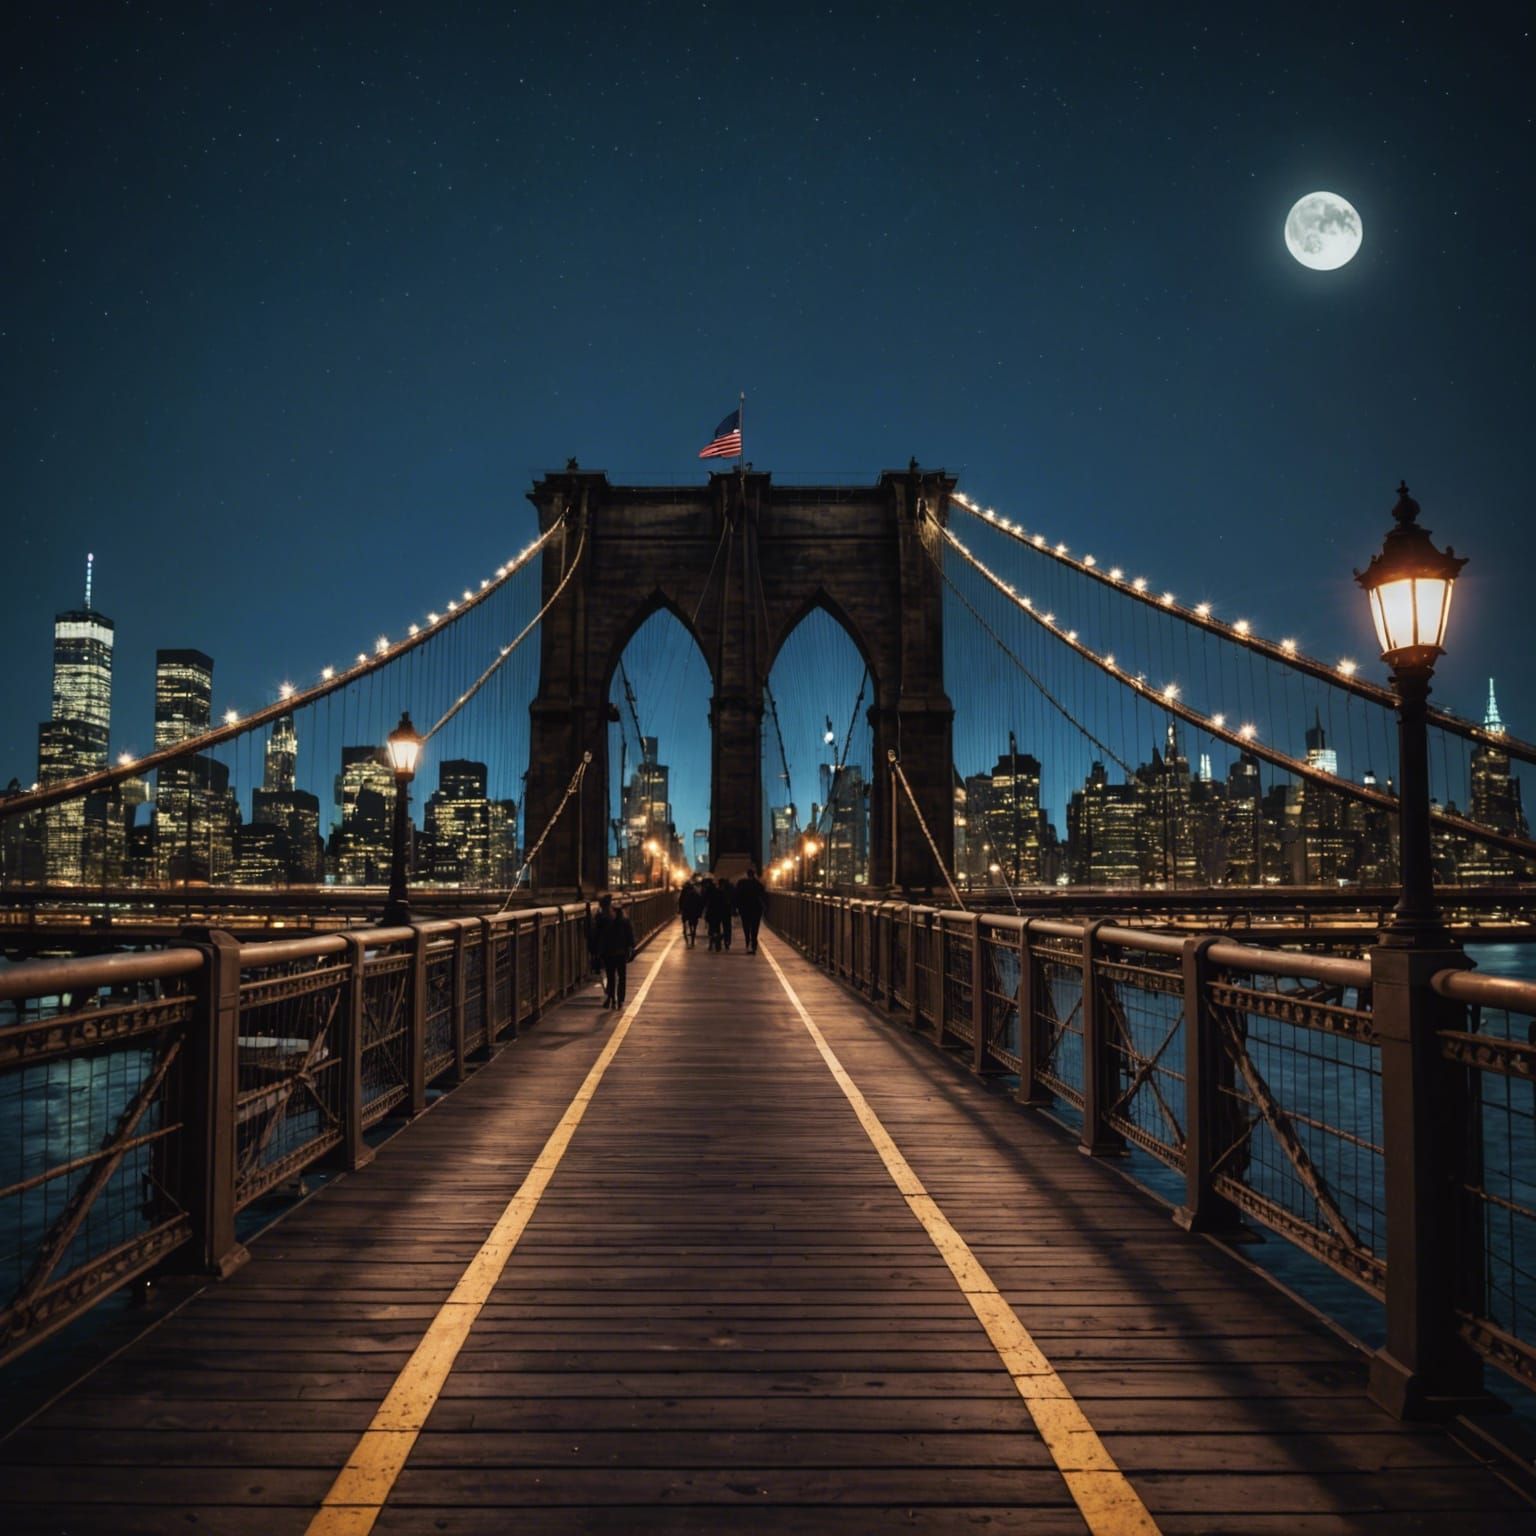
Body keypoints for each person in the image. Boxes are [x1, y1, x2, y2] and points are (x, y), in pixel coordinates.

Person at [588, 893, 636, 1009]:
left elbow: (595, 936)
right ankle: (619, 1000)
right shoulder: (621, 916)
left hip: (607, 952)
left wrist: (594, 951)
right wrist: (631, 946)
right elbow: (629, 933)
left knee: (611, 976)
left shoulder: (601, 919)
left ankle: (612, 998)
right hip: (620, 952)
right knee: (621, 976)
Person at [734, 866, 766, 954]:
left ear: (747, 874)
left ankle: (747, 942)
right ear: (754, 874)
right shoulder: (758, 884)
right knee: (755, 927)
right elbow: (763, 896)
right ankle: (754, 944)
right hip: (756, 908)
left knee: (746, 926)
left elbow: (737, 896)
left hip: (745, 909)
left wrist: (736, 907)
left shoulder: (741, 883)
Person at [678, 878, 704, 948]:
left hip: (687, 910)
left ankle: (686, 929)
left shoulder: (684, 892)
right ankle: (693, 932)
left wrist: (680, 909)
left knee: (686, 920)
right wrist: (700, 912)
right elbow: (700, 902)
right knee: (694, 922)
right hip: (694, 910)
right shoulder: (696, 893)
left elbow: (681, 900)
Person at [711, 875, 735, 951]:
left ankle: (718, 944)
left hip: (717, 913)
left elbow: (712, 903)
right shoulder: (727, 892)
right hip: (726, 913)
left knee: (717, 929)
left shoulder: (715, 892)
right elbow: (731, 902)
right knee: (727, 928)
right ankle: (727, 942)